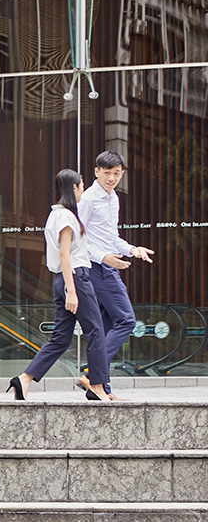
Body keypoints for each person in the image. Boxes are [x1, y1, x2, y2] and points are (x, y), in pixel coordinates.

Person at [8, 170, 110, 401]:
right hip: (75, 278)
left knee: (61, 338)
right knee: (95, 331)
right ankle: (97, 386)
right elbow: (65, 255)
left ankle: (24, 380)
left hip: (62, 279)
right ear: (73, 187)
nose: (82, 190)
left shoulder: (55, 215)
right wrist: (72, 291)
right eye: (81, 186)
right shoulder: (66, 217)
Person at [75, 151, 153, 400]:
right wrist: (102, 257)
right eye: (106, 173)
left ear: (122, 174)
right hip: (96, 268)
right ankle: (90, 372)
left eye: (116, 173)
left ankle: (101, 389)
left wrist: (132, 250)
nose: (111, 178)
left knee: (106, 326)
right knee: (126, 321)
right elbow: (76, 237)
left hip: (105, 265)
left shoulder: (113, 199)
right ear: (96, 172)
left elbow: (111, 238)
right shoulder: (88, 199)